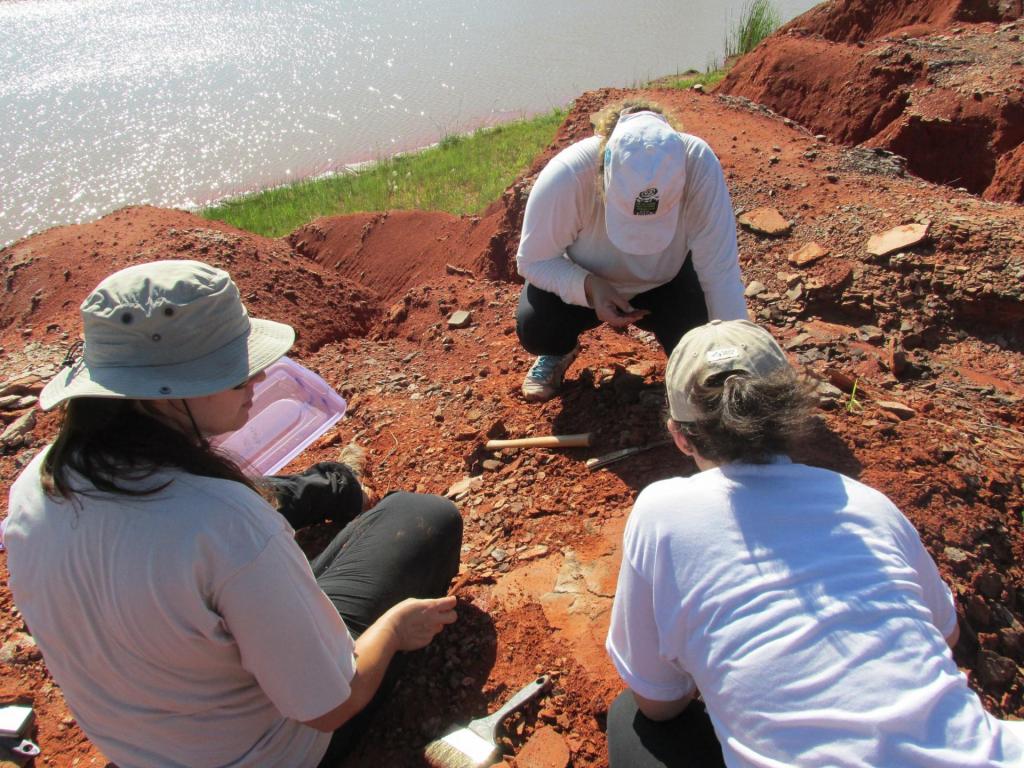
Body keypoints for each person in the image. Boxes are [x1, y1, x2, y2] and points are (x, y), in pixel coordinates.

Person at [4, 260, 463, 768]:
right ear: (169, 391)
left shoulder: (33, 487)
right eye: (234, 367)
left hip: (143, 751)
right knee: (423, 516)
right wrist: (394, 629)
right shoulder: (226, 523)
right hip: (275, 752)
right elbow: (331, 707)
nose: (260, 375)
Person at [604, 319, 1024, 767]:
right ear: (793, 415)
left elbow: (658, 701)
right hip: (987, 755)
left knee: (632, 719)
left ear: (680, 435)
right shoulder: (868, 504)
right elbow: (947, 633)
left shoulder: (662, 512)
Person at [515, 100, 748, 402]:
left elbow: (721, 274)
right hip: (590, 281)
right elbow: (533, 260)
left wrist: (734, 367)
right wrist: (588, 287)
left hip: (668, 284)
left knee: (708, 356)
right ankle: (560, 351)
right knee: (537, 328)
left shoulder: (699, 165)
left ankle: (692, 368)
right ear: (603, 174)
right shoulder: (568, 176)